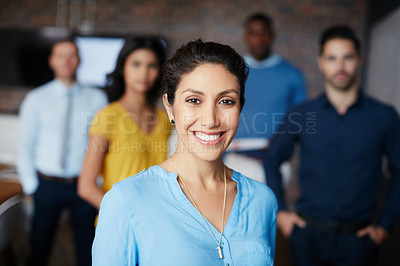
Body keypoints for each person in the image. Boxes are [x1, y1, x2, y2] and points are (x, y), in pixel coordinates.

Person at [92, 40, 278, 265]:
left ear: (240, 108)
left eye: (226, 101)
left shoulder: (263, 200)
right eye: (193, 100)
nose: (210, 120)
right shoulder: (124, 201)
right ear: (169, 106)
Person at [263, 25, 400, 266]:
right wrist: (282, 213)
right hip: (307, 237)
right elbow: (272, 159)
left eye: (347, 57)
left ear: (359, 60)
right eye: (332, 58)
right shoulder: (302, 114)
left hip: (360, 242)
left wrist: (383, 227)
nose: (340, 66)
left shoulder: (384, 116)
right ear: (321, 62)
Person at [17, 39, 108, 266]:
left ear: (79, 61)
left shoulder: (98, 99)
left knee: (87, 250)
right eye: (61, 55)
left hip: (83, 186)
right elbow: (25, 146)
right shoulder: (35, 99)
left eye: (72, 55)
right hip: (46, 184)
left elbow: (101, 146)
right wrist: (32, 187)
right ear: (52, 61)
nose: (66, 61)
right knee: (39, 248)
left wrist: (96, 181)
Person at [78, 37, 171, 210]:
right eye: (136, 64)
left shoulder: (166, 119)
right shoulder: (108, 117)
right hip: (119, 222)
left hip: (155, 220)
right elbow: (86, 187)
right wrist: (124, 215)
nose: (143, 72)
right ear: (123, 68)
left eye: (151, 65)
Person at [225, 12, 307, 184]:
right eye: (253, 33)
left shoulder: (292, 75)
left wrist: (281, 143)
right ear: (246, 37)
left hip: (275, 162)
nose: (259, 38)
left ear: (272, 36)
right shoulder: (231, 73)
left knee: (271, 210)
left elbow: (300, 120)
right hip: (234, 158)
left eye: (264, 33)